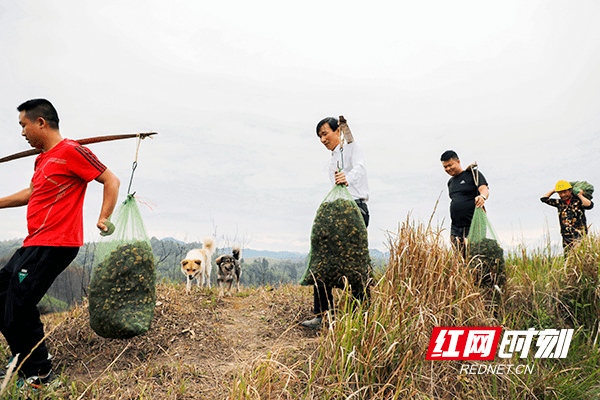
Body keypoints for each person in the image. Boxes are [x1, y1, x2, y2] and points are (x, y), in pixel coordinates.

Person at [0, 99, 120, 388]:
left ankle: (40, 374)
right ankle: (21, 360)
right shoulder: (42, 159)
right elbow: (31, 194)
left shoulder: (72, 151)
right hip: (34, 242)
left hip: (56, 242)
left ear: (40, 122)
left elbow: (110, 180)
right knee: (2, 295)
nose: (22, 133)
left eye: (23, 125)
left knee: (19, 303)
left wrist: (103, 217)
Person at [301, 117, 370, 329]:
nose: (322, 139)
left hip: (355, 210)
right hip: (339, 210)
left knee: (354, 262)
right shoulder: (334, 156)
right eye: (319, 136)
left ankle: (361, 314)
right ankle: (323, 314)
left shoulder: (350, 148)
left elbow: (358, 164)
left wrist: (347, 177)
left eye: (325, 133)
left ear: (337, 131)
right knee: (323, 259)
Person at [440, 150, 489, 258]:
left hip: (474, 224)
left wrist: (482, 197)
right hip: (456, 227)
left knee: (476, 257)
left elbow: (484, 188)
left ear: (458, 161)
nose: (447, 169)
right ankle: (464, 275)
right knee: (460, 259)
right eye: (445, 167)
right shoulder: (451, 182)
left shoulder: (473, 174)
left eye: (450, 165)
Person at [541, 180, 593, 252]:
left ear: (570, 190)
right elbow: (543, 199)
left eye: (565, 192)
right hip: (566, 235)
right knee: (568, 256)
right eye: (560, 193)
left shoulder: (578, 200)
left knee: (580, 254)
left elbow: (589, 205)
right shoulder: (559, 203)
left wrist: (580, 195)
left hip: (579, 234)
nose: (563, 195)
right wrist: (554, 190)